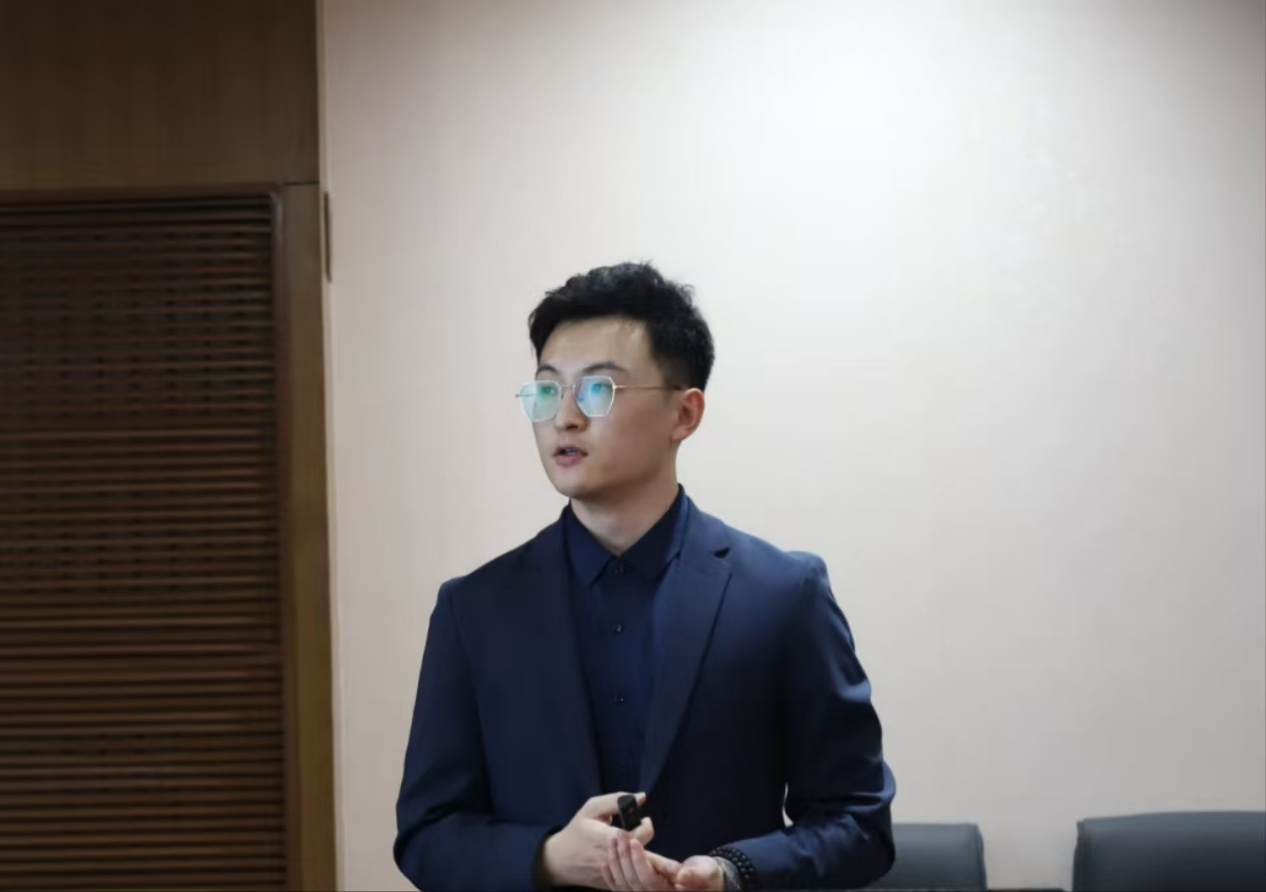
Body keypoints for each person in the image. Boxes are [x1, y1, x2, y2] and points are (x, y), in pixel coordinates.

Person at [394, 262, 896, 891]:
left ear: (684, 414)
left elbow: (858, 822)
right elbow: (428, 833)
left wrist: (734, 872)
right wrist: (548, 856)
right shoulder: (476, 609)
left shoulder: (781, 594)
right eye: (547, 391)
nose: (564, 418)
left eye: (597, 390)